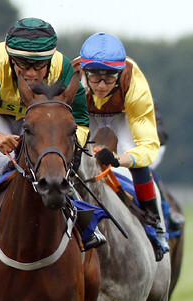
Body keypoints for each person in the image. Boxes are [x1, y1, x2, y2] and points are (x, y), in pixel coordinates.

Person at [0, 17, 101, 257]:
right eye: (23, 64)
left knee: (56, 166)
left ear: (50, 60)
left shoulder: (63, 67)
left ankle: (84, 224)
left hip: (44, 119)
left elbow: (82, 125)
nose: (32, 73)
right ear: (10, 57)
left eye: (39, 65)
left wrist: (67, 145)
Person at [73, 32, 169, 261]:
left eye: (110, 78)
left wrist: (118, 160)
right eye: (95, 78)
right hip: (85, 115)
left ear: (120, 73)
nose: (102, 85)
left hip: (122, 115)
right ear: (84, 71)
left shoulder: (133, 81)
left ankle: (154, 223)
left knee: (134, 157)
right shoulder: (71, 78)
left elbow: (147, 148)